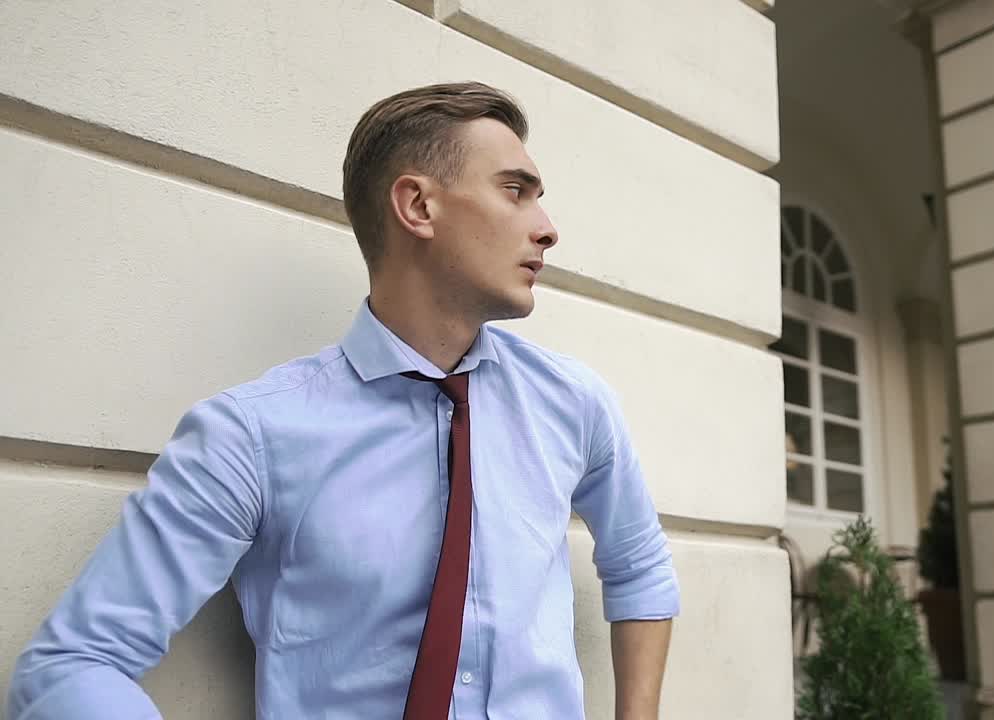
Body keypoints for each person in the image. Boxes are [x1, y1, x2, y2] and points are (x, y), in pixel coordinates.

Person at [6, 81, 680, 720]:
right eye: (515, 192)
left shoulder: (573, 404)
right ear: (417, 206)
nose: (547, 228)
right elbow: (72, 663)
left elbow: (639, 564)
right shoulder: (253, 436)